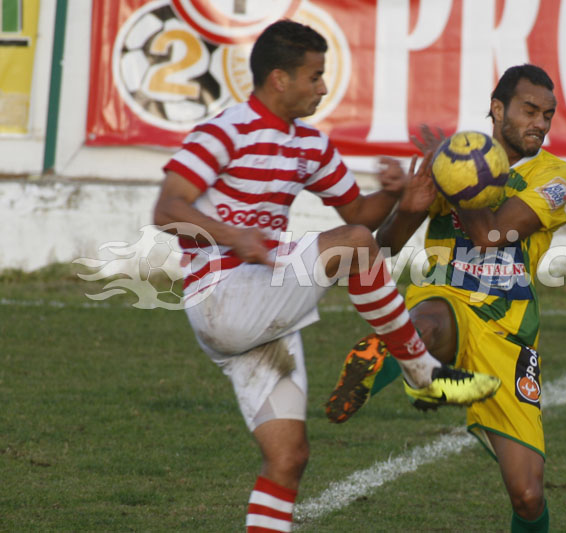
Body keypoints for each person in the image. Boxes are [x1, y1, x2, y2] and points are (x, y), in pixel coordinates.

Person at [153, 19, 500, 532]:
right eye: (314, 76)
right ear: (279, 79)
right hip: (223, 297)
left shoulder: (309, 144)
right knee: (356, 247)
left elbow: (358, 211)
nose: (322, 87)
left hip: (263, 314)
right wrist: (231, 236)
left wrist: (395, 195)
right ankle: (422, 373)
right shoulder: (223, 132)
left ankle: (419, 372)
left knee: (288, 459)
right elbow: (166, 209)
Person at [325, 64, 566, 532]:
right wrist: (411, 207)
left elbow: (494, 234)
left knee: (527, 494)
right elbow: (384, 249)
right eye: (529, 110)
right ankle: (385, 359)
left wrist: (457, 181)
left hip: (508, 332)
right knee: (427, 323)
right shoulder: (451, 163)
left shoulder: (556, 174)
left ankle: (413, 365)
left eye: (548, 114)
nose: (540, 123)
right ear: (498, 109)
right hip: (448, 297)